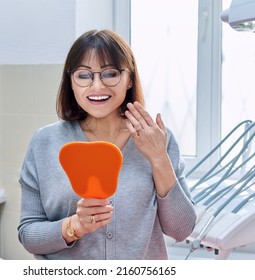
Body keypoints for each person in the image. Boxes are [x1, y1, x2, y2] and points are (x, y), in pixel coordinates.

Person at [18, 29, 196, 260]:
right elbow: (28, 234)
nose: (97, 86)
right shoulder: (44, 143)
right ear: (70, 81)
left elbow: (181, 230)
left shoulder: (158, 138)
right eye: (84, 75)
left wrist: (158, 157)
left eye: (110, 73)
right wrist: (75, 226)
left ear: (129, 78)